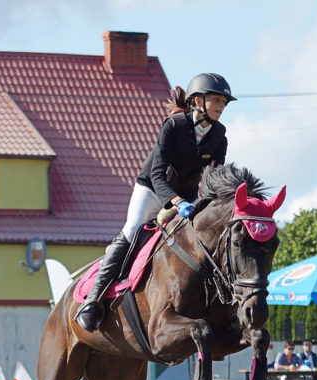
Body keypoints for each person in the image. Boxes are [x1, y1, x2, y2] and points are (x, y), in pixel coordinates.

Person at [75, 73, 235, 332]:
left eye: (224, 102)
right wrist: (174, 202)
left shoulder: (219, 135)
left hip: (187, 194)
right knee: (132, 230)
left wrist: (215, 202)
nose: (220, 106)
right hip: (151, 188)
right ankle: (92, 301)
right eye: (216, 99)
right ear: (197, 101)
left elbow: (214, 179)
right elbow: (158, 173)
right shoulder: (174, 125)